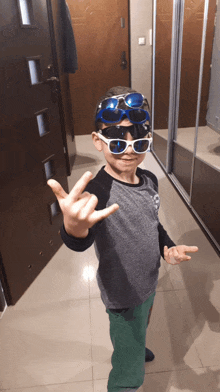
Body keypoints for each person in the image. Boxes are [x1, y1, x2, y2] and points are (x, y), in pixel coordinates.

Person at [47, 86, 198, 392]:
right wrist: (73, 226)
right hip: (122, 293)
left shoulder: (150, 180)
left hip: (147, 281)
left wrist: (167, 246)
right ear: (98, 141)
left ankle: (136, 345)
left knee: (142, 322)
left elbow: (151, 223)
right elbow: (80, 240)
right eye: (117, 142)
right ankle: (125, 376)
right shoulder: (98, 192)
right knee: (130, 373)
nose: (129, 150)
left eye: (138, 140)